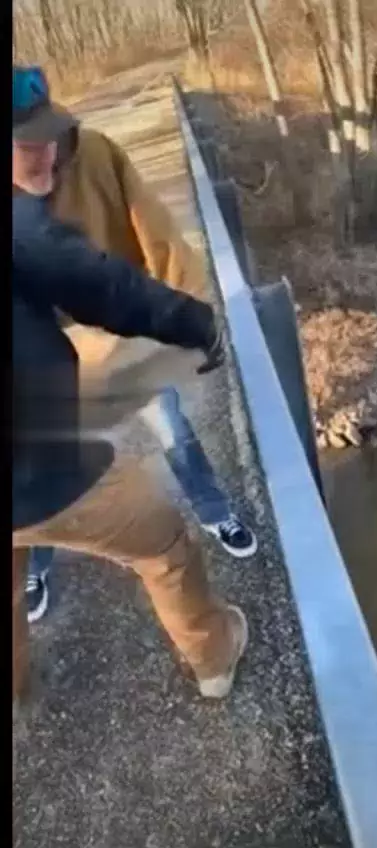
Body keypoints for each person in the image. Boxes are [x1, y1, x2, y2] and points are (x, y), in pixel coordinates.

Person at [13, 65, 257, 624]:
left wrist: (193, 314)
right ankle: (36, 569)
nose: (45, 155)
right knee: (40, 465)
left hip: (116, 329)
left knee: (170, 424)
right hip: (44, 362)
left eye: (49, 137)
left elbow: (153, 234)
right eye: (27, 146)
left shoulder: (96, 155)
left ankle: (214, 510)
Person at [13, 187, 248, 703]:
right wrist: (197, 324)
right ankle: (215, 658)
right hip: (40, 468)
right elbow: (92, 280)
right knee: (165, 545)